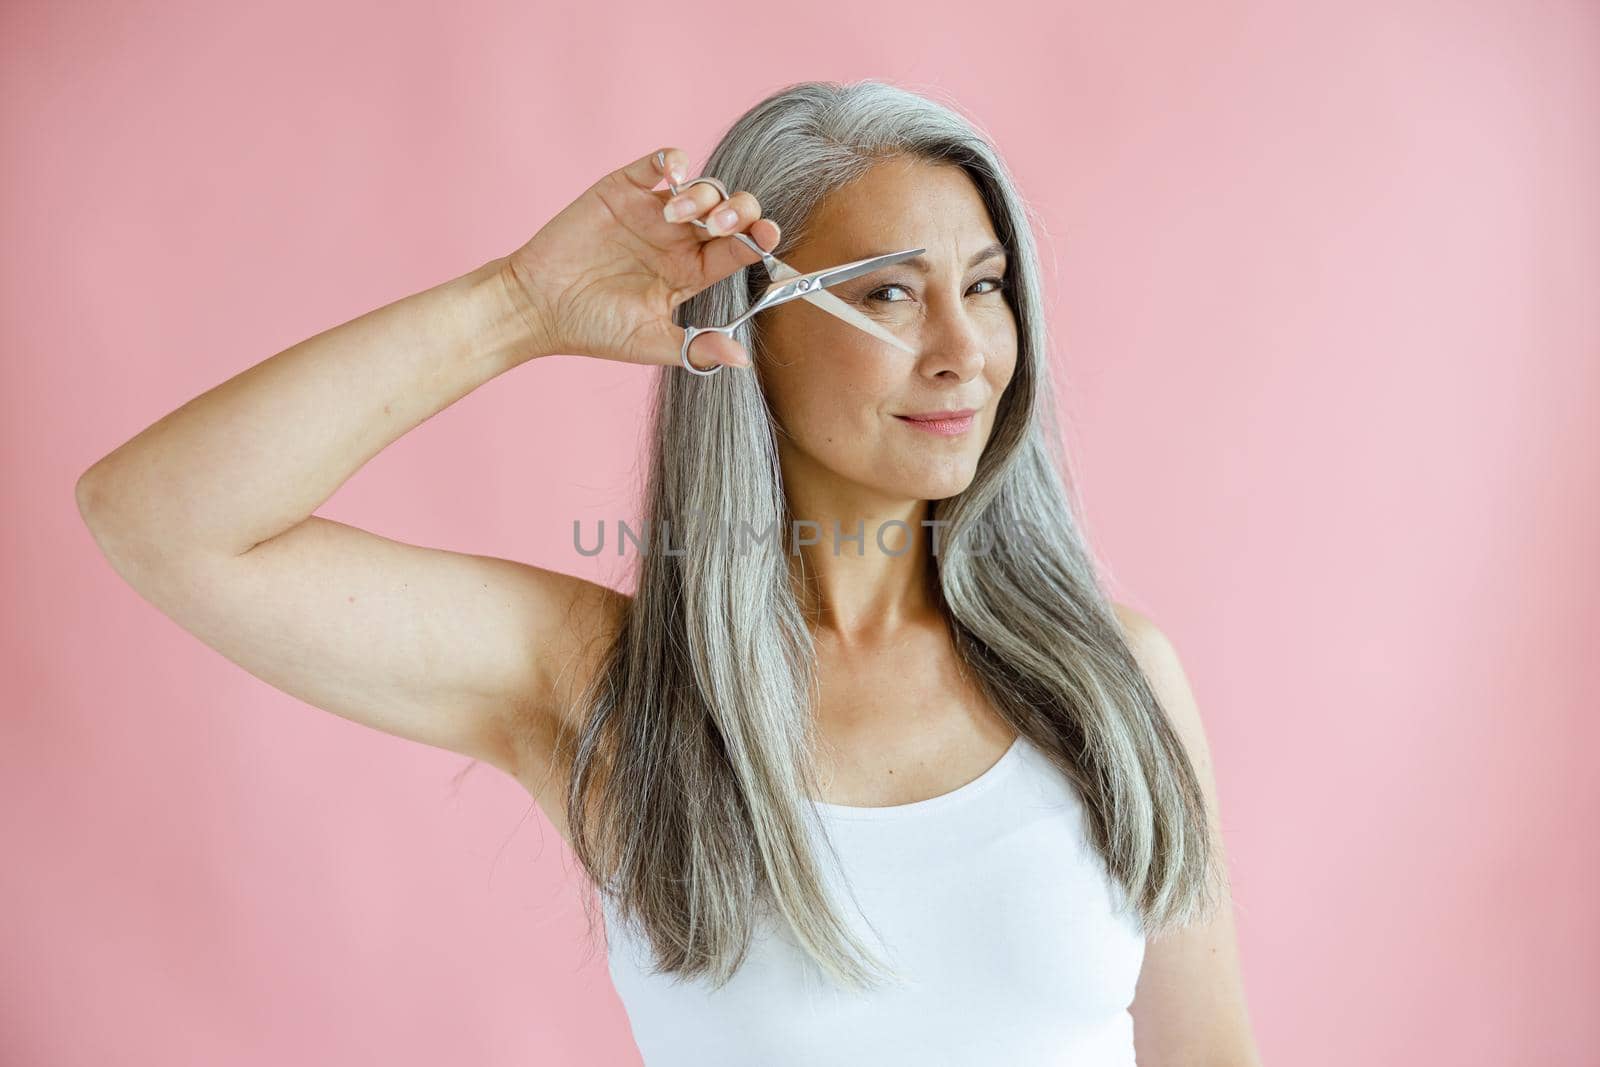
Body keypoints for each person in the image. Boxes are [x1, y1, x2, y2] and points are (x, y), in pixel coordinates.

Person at [74, 79, 1263, 1065]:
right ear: (748, 317)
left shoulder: (1113, 675)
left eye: (988, 286)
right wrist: (520, 305)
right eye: (889, 291)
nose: (964, 351)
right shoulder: (603, 685)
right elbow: (164, 521)